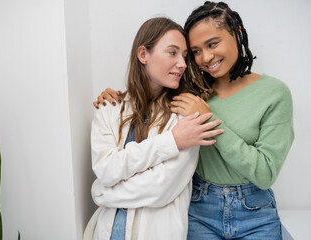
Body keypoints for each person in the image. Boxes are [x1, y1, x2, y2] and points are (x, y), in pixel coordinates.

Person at [93, 2, 295, 239]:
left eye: (212, 44)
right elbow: (149, 97)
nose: (205, 58)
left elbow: (265, 173)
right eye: (196, 52)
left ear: (237, 32)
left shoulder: (273, 93)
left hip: (255, 210)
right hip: (199, 208)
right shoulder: (189, 92)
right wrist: (117, 98)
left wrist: (209, 117)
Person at [84, 17, 223, 240]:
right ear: (143, 55)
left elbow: (161, 188)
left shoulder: (186, 115)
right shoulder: (108, 108)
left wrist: (102, 192)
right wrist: (171, 142)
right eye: (172, 52)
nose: (183, 63)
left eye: (185, 56)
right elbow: (106, 170)